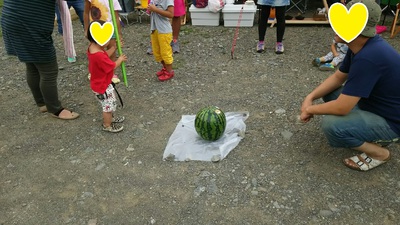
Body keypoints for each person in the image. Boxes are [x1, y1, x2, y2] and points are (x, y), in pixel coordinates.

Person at [300, 0, 400, 171]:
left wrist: (309, 110)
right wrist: (310, 97)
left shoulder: (369, 57)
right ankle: (361, 131)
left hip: (393, 122)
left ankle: (379, 152)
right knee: (330, 93)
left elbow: (342, 108)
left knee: (332, 125)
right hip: (375, 106)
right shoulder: (360, 46)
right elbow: (338, 77)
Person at [1, 0, 79, 120]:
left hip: (11, 17)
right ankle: (55, 109)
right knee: (49, 70)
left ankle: (42, 103)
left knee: (32, 64)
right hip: (28, 24)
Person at [87, 21, 128, 133]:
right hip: (102, 86)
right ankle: (107, 125)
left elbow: (105, 55)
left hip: (99, 84)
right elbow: (112, 65)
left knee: (109, 104)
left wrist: (114, 47)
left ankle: (111, 118)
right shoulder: (99, 56)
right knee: (108, 107)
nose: (109, 41)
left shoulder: (93, 47)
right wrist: (119, 59)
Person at [84, 0, 123, 84]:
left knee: (112, 51)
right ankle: (94, 72)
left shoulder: (113, 0)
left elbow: (116, 17)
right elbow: (86, 13)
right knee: (95, 53)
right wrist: (86, 29)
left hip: (110, 29)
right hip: (95, 30)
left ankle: (111, 73)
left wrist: (119, 34)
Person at [147, 0, 175, 81]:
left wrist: (155, 9)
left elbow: (171, 14)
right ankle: (165, 68)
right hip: (155, 29)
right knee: (157, 52)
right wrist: (150, 9)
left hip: (164, 30)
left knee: (165, 52)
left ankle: (169, 71)